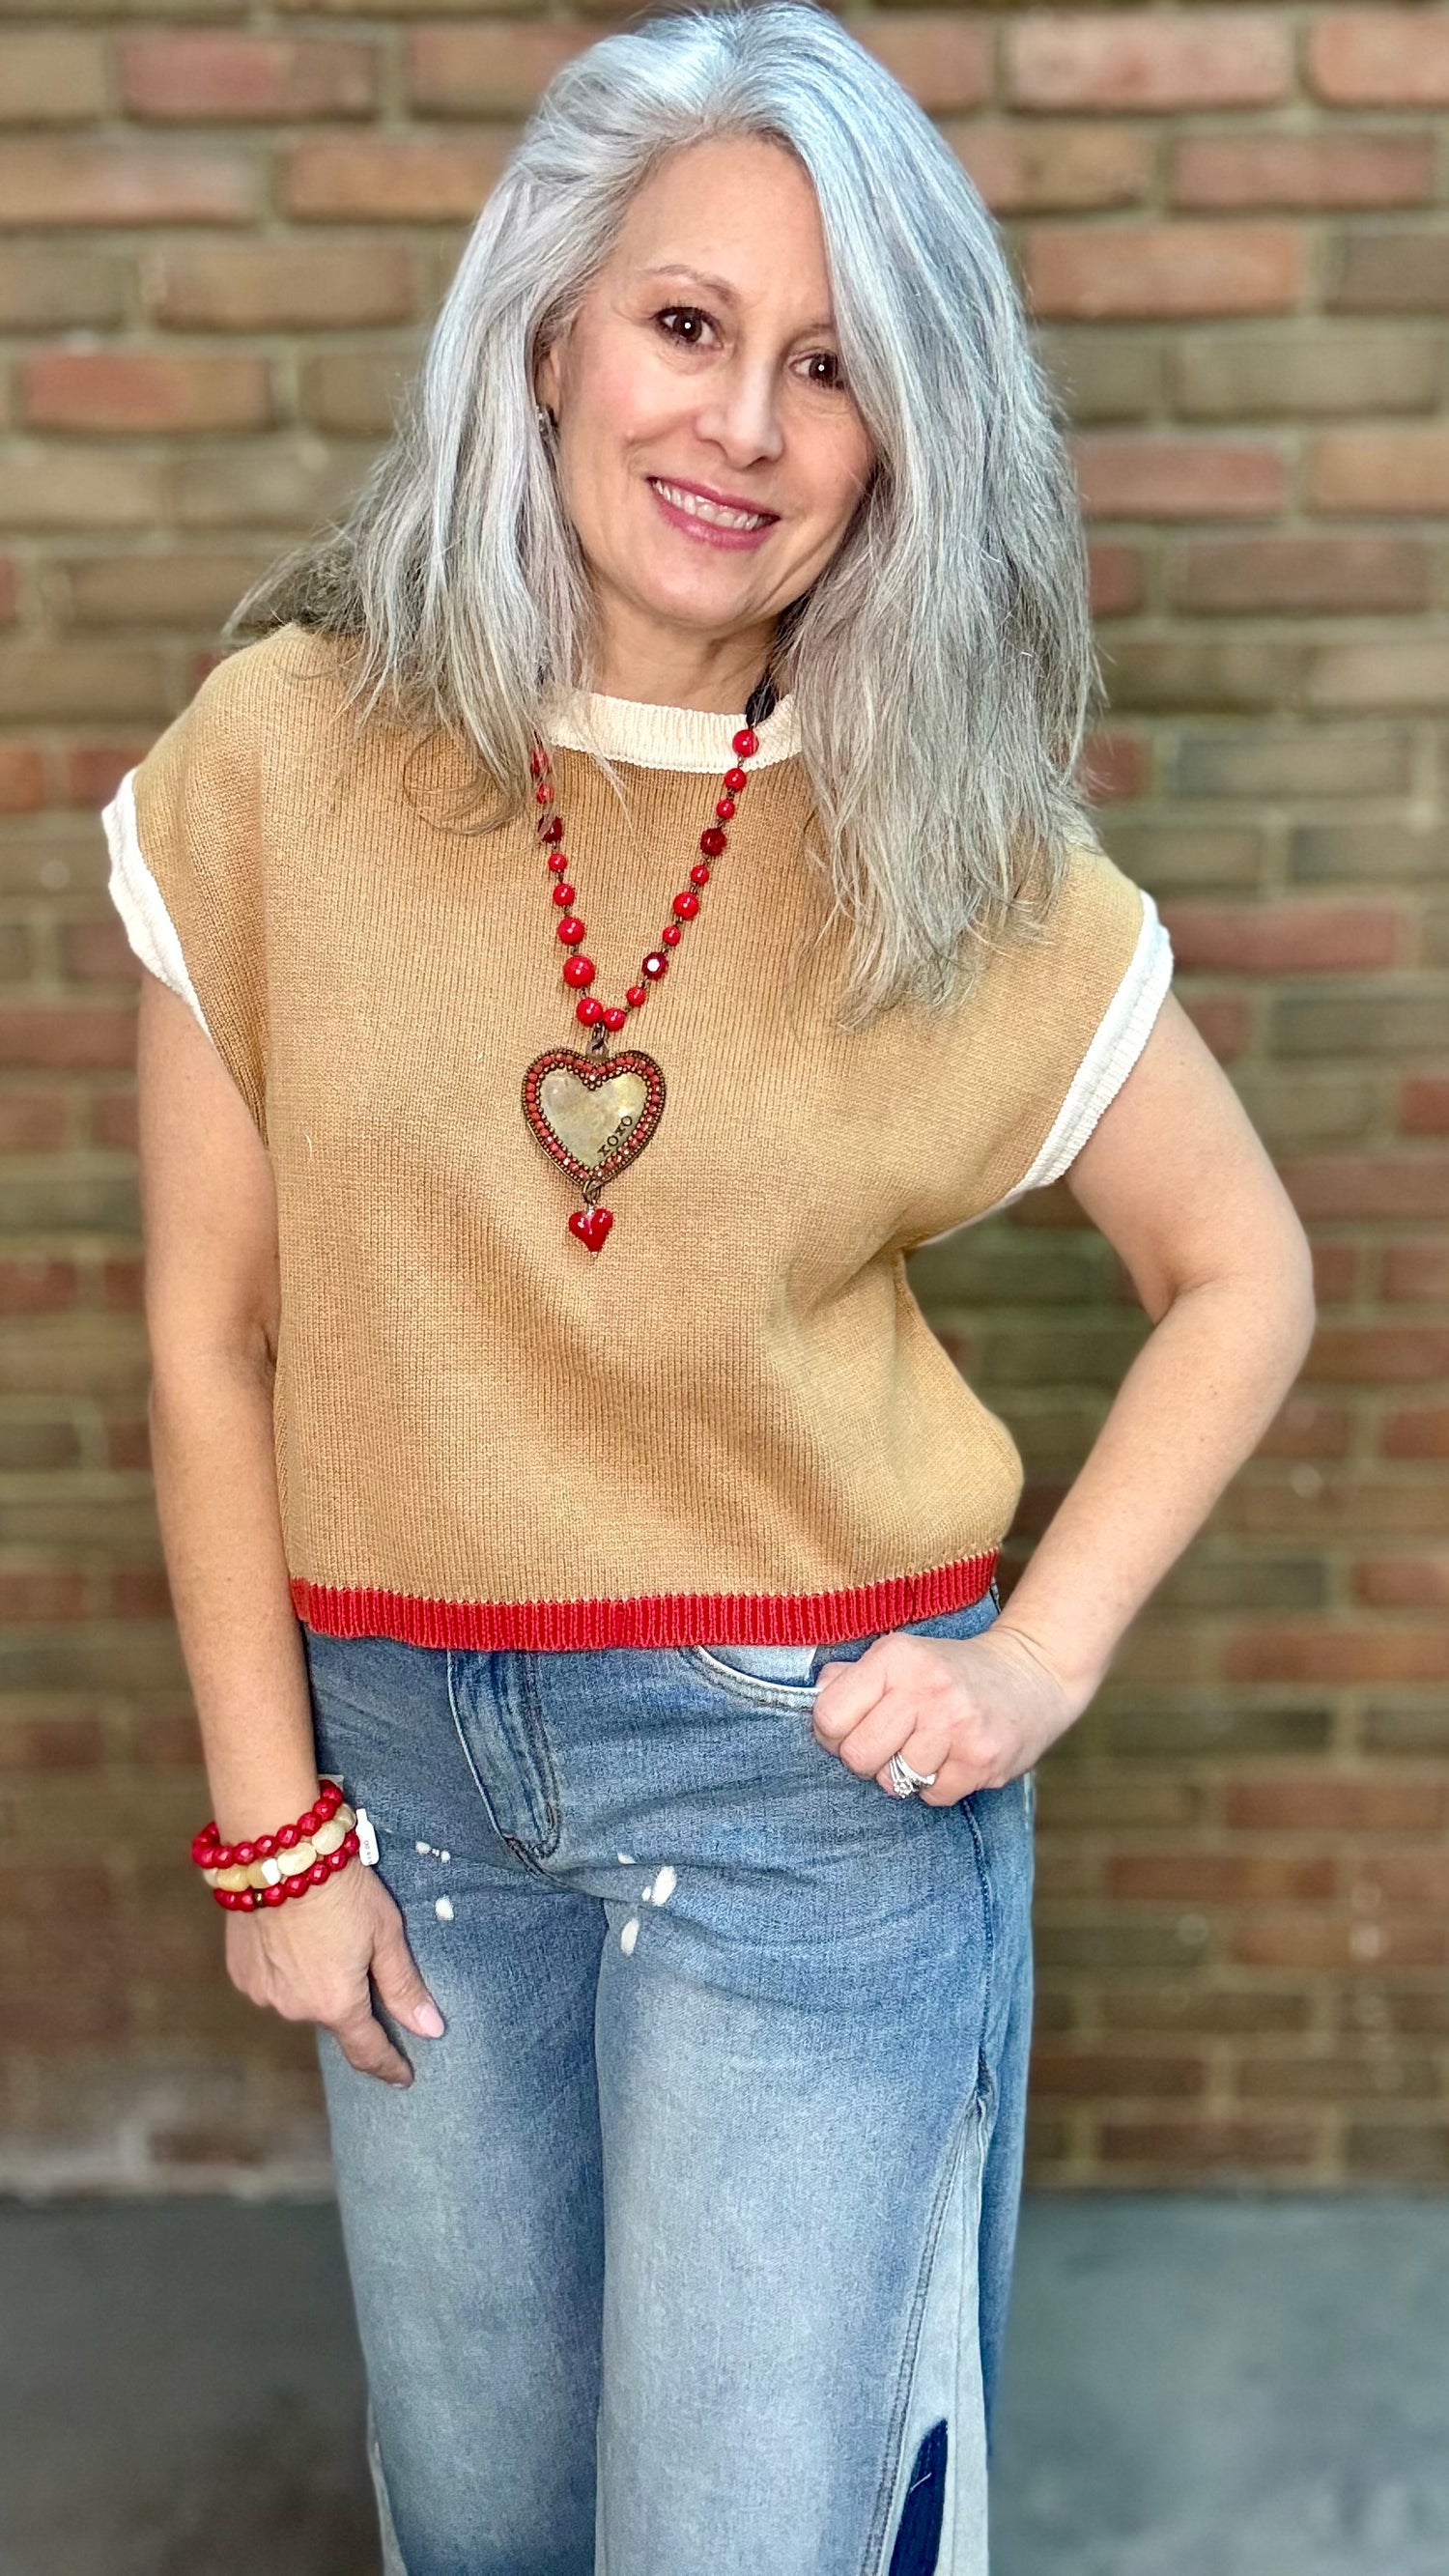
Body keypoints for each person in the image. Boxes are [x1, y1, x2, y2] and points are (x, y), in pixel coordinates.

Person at [99, 4, 1317, 2568]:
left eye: (832, 370)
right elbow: (210, 1342)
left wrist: (1038, 1657)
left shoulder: (942, 842)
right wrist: (268, 1826)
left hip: (804, 1800)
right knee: (486, 2518)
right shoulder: (280, 761)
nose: (743, 425)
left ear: (898, 442)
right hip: (400, 1787)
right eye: (684, 326)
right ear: (545, 327)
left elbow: (1237, 1270)